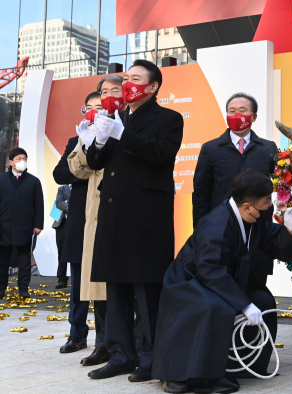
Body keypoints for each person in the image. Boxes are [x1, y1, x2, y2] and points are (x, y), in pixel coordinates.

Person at [153, 170, 292, 394]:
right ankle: (188, 376)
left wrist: (290, 229)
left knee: (263, 300)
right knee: (216, 307)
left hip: (220, 280)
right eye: (266, 202)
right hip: (189, 282)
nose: (269, 207)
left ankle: (243, 366)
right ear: (247, 206)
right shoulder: (216, 225)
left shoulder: (254, 218)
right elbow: (210, 269)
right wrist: (243, 304)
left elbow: (276, 245)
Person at [82, 59, 184, 382]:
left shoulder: (169, 118)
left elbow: (162, 155)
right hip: (113, 214)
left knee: (146, 291)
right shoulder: (114, 117)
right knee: (116, 289)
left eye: (136, 79)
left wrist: (121, 134)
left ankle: (151, 359)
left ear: (152, 87)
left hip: (146, 217)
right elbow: (98, 162)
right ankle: (121, 354)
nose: (128, 84)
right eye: (127, 78)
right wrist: (96, 141)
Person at [67, 74, 126, 367]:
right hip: (97, 216)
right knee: (99, 287)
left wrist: (116, 134)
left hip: (126, 213)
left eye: (116, 90)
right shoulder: (93, 126)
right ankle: (102, 344)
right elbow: (76, 170)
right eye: (105, 91)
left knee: (127, 287)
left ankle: (132, 347)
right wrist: (88, 142)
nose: (109, 95)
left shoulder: (130, 121)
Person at [192, 92, 277, 286]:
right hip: (220, 228)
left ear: (253, 116)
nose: (236, 115)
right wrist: (200, 229)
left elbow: (281, 187)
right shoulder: (211, 149)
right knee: (220, 281)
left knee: (256, 286)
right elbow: (201, 193)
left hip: (258, 227)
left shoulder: (268, 149)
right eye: (232, 111)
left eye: (242, 111)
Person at [54, 92, 99, 354]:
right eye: (88, 108)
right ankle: (77, 333)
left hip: (106, 216)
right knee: (79, 281)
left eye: (99, 107)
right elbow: (60, 173)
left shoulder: (118, 136)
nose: (93, 112)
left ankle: (112, 338)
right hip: (80, 218)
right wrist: (87, 170)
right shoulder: (76, 139)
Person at [0, 148, 44, 299]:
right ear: (11, 161)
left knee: (24, 261)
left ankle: (23, 289)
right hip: (3, 227)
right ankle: (1, 288)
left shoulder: (33, 181)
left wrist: (38, 225)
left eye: (24, 158)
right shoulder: (1, 180)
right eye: (18, 159)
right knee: (2, 260)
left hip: (25, 227)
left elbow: (39, 205)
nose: (22, 161)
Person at [52, 185, 70, 289]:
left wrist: (67, 202)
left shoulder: (83, 184)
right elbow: (58, 203)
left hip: (77, 223)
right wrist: (72, 205)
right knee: (61, 252)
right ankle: (62, 279)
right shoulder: (62, 188)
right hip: (61, 223)